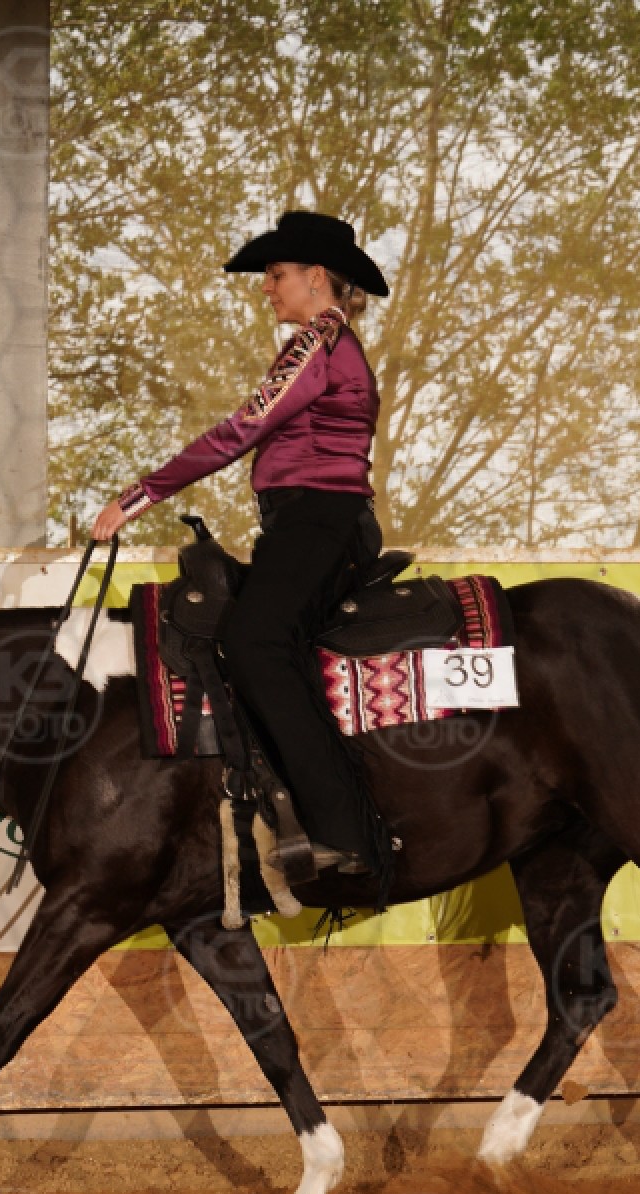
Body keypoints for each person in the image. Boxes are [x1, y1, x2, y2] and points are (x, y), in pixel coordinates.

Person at [91, 210, 393, 881]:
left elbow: (238, 433)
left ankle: (343, 834)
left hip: (320, 521)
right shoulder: (323, 343)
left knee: (255, 642)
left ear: (317, 277)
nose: (266, 287)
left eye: (277, 274)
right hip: (308, 522)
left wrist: (137, 497)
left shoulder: (316, 341)